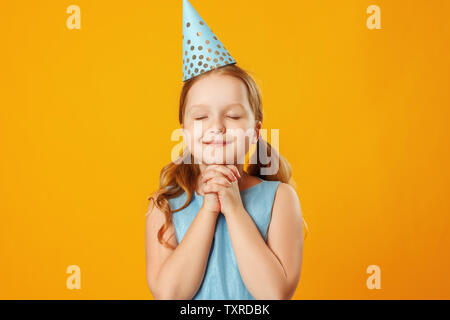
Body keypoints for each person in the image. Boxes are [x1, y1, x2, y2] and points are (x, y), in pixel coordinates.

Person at [145, 0, 307, 300]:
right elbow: (170, 296)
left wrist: (233, 207)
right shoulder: (165, 205)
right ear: (184, 132)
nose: (217, 126)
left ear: (255, 131)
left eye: (232, 116)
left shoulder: (281, 199)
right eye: (201, 116)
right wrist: (209, 208)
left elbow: (274, 295)